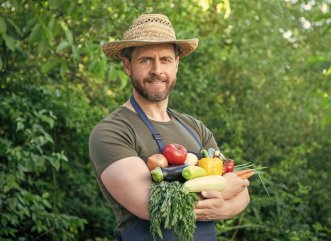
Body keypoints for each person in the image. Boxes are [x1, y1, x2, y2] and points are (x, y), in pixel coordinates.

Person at [89, 13, 250, 241]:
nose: (157, 70)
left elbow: (243, 193)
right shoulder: (112, 131)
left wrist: (224, 209)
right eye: (146, 60)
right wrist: (224, 188)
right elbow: (153, 205)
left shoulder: (194, 127)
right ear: (127, 66)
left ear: (176, 65)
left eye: (165, 59)